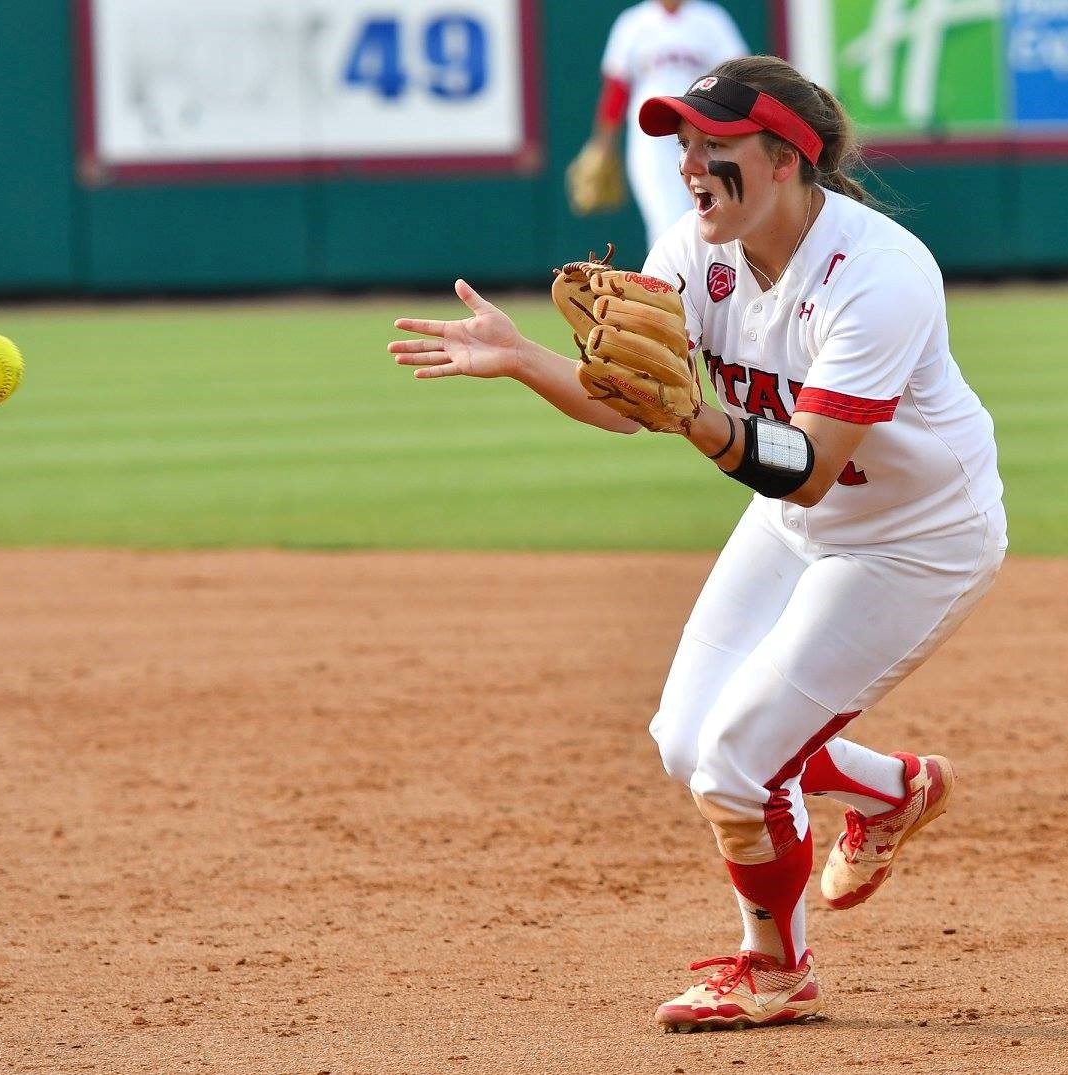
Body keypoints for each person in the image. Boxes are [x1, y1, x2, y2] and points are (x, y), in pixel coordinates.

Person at [388, 55, 1005, 1032]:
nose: (689, 161)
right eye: (682, 142)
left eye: (714, 142)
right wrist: (522, 360)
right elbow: (626, 402)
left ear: (787, 159)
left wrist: (698, 420)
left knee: (734, 765)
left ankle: (774, 970)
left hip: (913, 537)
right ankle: (895, 790)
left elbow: (803, 461)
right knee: (687, 741)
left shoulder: (877, 275)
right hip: (797, 519)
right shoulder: (690, 249)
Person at [579, 0, 748, 245]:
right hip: (651, 136)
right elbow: (617, 88)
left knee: (713, 209)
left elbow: (738, 76)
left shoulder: (711, 20)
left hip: (703, 131)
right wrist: (603, 143)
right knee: (663, 217)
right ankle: (668, 281)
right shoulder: (633, 23)